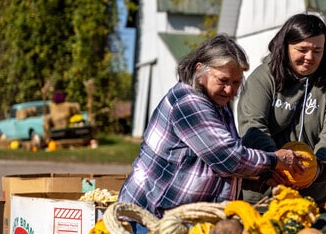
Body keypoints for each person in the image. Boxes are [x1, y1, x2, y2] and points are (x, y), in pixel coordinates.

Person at [118, 35, 308, 220]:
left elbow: (212, 162)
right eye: (223, 81)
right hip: (148, 217)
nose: (230, 90)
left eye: (236, 83)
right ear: (200, 70)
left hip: (178, 219)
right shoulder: (188, 101)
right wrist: (275, 160)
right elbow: (228, 158)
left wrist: (264, 175)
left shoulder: (217, 103)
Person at [237, 13, 326, 207]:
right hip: (263, 195)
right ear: (285, 47)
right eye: (302, 49)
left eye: (317, 51)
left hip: (312, 196)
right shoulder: (263, 78)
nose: (309, 57)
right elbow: (253, 125)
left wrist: (319, 166)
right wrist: (275, 163)